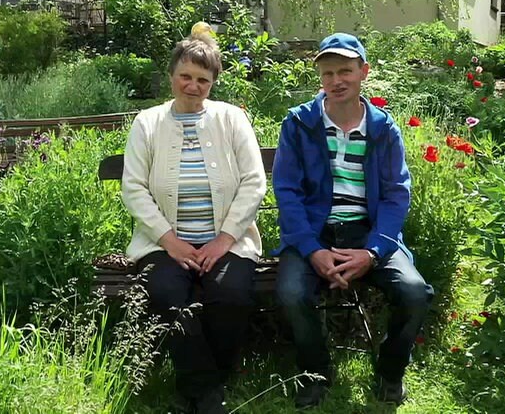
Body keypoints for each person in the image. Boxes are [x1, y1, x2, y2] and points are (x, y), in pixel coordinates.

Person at [273, 32, 434, 408]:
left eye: (345, 71)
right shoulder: (299, 124)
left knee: (415, 292)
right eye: (328, 73)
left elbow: (396, 193)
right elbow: (287, 191)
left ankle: (390, 371)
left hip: (368, 233)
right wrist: (312, 250)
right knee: (292, 293)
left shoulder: (383, 128)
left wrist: (374, 252)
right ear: (320, 77)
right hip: (314, 232)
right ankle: (316, 372)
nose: (336, 81)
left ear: (364, 71)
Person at [121, 22, 267, 414]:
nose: (192, 85)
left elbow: (254, 182)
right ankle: (208, 389)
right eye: (185, 76)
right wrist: (171, 241)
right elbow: (133, 188)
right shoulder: (147, 123)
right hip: (164, 244)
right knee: (167, 294)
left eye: (202, 79)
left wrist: (224, 240)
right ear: (171, 76)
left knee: (231, 296)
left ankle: (201, 382)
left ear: (212, 83)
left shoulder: (231, 119)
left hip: (228, 240)